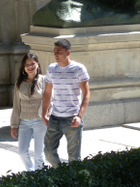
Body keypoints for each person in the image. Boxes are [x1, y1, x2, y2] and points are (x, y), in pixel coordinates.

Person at [42, 39, 90, 168]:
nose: (55, 54)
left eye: (59, 52)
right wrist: (44, 113)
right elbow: (47, 92)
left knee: (74, 157)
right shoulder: (51, 68)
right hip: (55, 117)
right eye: (54, 51)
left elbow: (86, 94)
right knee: (48, 151)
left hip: (72, 118)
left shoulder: (78, 69)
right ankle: (62, 175)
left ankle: (72, 181)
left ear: (67, 52)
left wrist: (79, 116)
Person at [10, 53, 49, 171]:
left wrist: (45, 116)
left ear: (37, 64)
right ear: (23, 67)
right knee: (22, 152)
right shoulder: (19, 82)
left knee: (38, 154)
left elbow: (49, 100)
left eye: (32, 63)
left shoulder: (45, 80)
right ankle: (31, 173)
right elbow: (16, 105)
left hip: (40, 121)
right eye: (27, 64)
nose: (30, 66)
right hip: (24, 122)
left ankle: (40, 177)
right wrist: (14, 125)